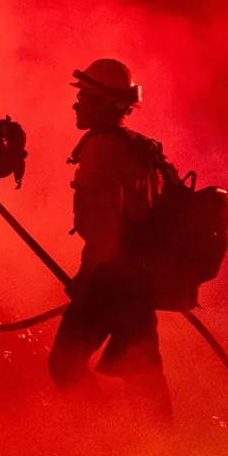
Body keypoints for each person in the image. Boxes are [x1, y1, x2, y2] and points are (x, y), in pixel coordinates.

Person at [47, 59, 174, 419]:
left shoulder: (102, 148)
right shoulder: (138, 148)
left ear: (105, 104)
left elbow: (105, 228)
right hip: (138, 281)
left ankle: (103, 442)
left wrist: (87, 280)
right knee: (143, 374)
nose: (77, 104)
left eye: (85, 97)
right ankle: (160, 455)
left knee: (65, 363)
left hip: (111, 281)